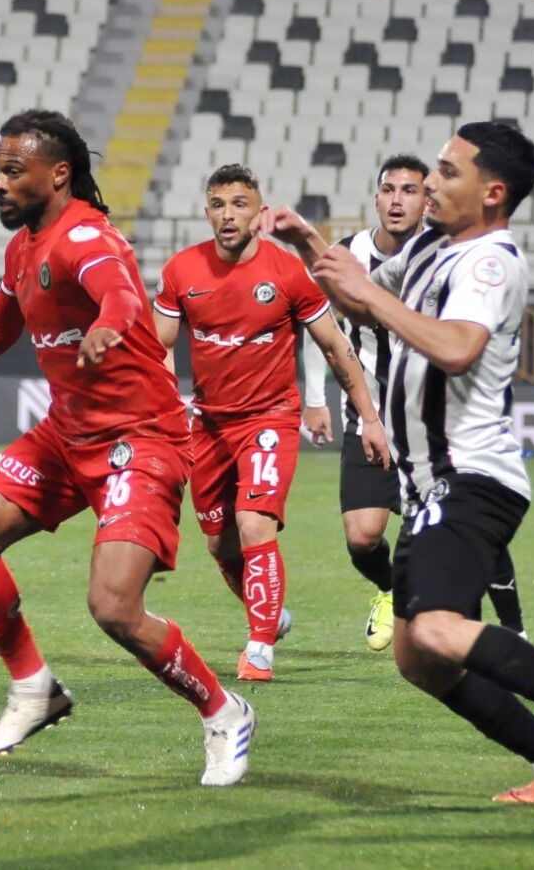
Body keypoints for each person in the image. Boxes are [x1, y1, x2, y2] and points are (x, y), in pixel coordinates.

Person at [258, 122, 534, 804]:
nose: (431, 184)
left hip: (471, 475)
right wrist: (310, 246)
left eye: (446, 171)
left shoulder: (490, 262)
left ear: (492, 192)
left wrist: (370, 295)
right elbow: (363, 302)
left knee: (439, 629)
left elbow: (458, 347)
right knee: (419, 658)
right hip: (428, 483)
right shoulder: (432, 248)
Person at [0, 110, 255, 786]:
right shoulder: (25, 247)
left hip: (139, 438)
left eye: (12, 171)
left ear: (58, 174)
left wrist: (110, 324)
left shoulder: (85, 236)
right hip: (66, 433)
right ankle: (35, 688)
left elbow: (119, 293)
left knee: (114, 608)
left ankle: (224, 710)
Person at [153, 164, 389, 682]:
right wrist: (168, 405)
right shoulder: (181, 271)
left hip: (269, 419)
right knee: (219, 543)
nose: (228, 215)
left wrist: (370, 418)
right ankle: (270, 612)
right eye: (219, 204)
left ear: (259, 213)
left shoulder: (287, 273)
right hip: (208, 424)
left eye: (240, 204)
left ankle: (260, 648)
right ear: (207, 212)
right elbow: (160, 346)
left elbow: (336, 347)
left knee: (254, 522)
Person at [302, 156, 526, 651]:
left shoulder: (447, 256)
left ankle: (514, 629)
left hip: (432, 422)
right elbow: (321, 325)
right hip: (369, 416)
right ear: (376, 198)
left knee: (466, 528)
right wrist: (316, 398)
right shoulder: (350, 255)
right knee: (361, 538)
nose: (397, 200)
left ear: (427, 200)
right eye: (389, 190)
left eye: (409, 190)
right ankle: (390, 588)